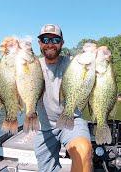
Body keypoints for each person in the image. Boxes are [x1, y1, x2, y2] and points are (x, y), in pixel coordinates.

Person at [34, 24, 93, 172]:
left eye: (55, 40)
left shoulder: (74, 64)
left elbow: (91, 66)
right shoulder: (32, 66)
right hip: (44, 126)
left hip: (72, 119)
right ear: (39, 43)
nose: (50, 44)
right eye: (45, 39)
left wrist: (96, 52)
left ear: (62, 43)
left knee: (83, 151)